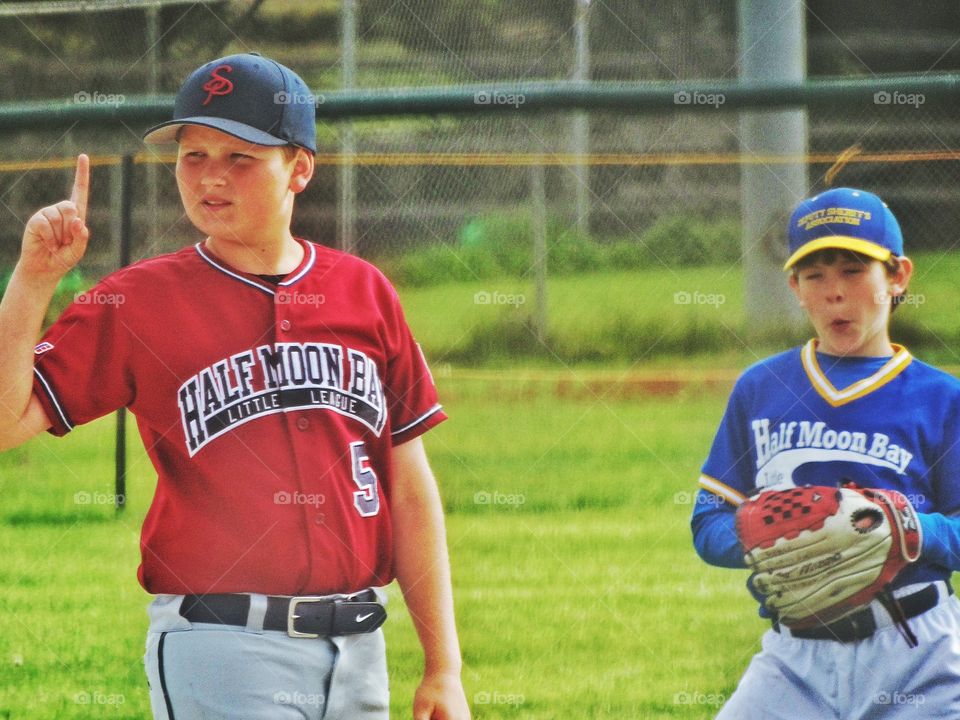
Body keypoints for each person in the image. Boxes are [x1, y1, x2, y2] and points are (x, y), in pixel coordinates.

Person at [0, 52, 470, 720]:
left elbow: (409, 486)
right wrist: (33, 281)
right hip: (221, 646)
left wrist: (444, 664)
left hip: (360, 648)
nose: (210, 177)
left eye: (240, 157)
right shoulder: (139, 301)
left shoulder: (365, 293)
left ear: (300, 168)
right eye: (193, 155)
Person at [690, 187, 960, 719]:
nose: (834, 292)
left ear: (898, 276)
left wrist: (906, 528)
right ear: (795, 286)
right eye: (815, 275)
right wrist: (763, 536)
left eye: (854, 270)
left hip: (916, 654)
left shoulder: (941, 399)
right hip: (794, 658)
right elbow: (706, 522)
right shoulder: (760, 388)